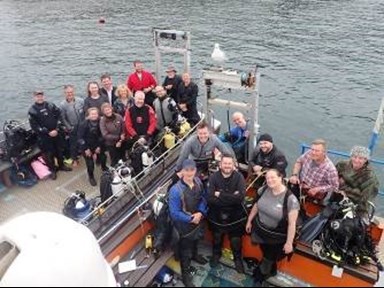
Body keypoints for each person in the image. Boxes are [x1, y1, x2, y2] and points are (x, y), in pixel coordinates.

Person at [246, 169, 299, 285]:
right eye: (267, 178)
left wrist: (289, 243)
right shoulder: (263, 189)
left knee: (268, 258)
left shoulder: (290, 200)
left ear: (281, 178)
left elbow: (292, 224)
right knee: (265, 252)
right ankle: (272, 269)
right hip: (261, 231)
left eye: (273, 177)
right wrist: (249, 221)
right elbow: (256, 205)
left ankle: (260, 277)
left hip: (276, 237)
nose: (269, 180)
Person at [168, 159, 208, 287]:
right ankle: (186, 276)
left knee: (197, 240)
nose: (190, 173)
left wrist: (201, 212)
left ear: (195, 171)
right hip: (184, 227)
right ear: (182, 172)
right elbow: (174, 213)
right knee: (185, 252)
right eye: (187, 170)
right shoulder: (175, 190)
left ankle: (195, 255)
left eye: (192, 170)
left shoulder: (198, 181)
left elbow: (203, 198)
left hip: (198, 220)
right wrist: (191, 218)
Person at [206, 154, 247, 273]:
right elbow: (210, 198)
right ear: (220, 164)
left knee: (236, 240)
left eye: (230, 163)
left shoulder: (239, 177)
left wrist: (220, 195)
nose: (227, 166)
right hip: (216, 214)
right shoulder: (213, 177)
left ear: (233, 165)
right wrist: (231, 197)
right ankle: (216, 254)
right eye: (225, 163)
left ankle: (238, 259)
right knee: (217, 237)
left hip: (235, 215)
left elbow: (240, 198)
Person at [28, 90, 72, 180]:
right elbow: (35, 126)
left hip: (57, 132)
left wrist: (56, 128)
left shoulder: (51, 105)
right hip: (44, 137)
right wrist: (47, 132)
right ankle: (53, 170)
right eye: (37, 96)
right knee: (49, 154)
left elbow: (59, 116)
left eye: (41, 96)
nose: (40, 97)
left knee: (59, 151)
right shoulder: (32, 111)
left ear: (44, 96)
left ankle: (61, 165)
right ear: (34, 97)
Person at [335, 146, 379, 216]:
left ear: (366, 160)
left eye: (360, 158)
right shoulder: (342, 165)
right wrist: (337, 188)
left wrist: (345, 190)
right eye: (354, 157)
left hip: (354, 206)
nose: (356, 160)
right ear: (351, 156)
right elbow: (332, 179)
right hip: (337, 199)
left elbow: (364, 200)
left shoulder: (370, 177)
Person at [77, 107, 107, 186]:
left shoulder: (101, 122)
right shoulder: (83, 124)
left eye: (95, 114)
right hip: (87, 146)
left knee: (103, 157)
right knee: (90, 164)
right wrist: (86, 149)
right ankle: (91, 176)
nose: (94, 116)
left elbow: (103, 135)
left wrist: (99, 147)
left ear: (98, 115)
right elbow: (80, 138)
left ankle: (104, 168)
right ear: (88, 115)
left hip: (98, 144)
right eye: (92, 114)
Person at [60, 85, 84, 167]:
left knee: (84, 141)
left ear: (74, 92)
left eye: (71, 92)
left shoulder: (80, 101)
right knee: (73, 144)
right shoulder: (63, 105)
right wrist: (69, 127)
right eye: (68, 92)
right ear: (65, 93)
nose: (70, 94)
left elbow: (85, 112)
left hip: (82, 125)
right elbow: (62, 118)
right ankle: (74, 159)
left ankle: (86, 153)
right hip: (72, 127)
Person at [99, 103, 125, 167]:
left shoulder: (118, 116)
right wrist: (118, 137)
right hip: (111, 144)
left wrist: (121, 139)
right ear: (103, 112)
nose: (108, 111)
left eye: (109, 109)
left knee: (123, 158)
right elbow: (105, 135)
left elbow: (123, 128)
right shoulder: (102, 121)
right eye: (106, 110)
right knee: (114, 161)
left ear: (111, 109)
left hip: (121, 142)